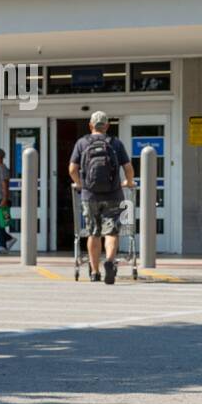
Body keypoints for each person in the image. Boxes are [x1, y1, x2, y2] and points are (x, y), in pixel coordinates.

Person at [68, 111, 134, 284]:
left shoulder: (82, 143)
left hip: (90, 196)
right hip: (113, 195)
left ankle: (95, 272)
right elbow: (128, 168)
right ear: (106, 126)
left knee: (93, 233)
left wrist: (80, 184)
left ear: (91, 125)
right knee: (112, 232)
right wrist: (128, 182)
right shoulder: (115, 143)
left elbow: (72, 170)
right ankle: (110, 262)